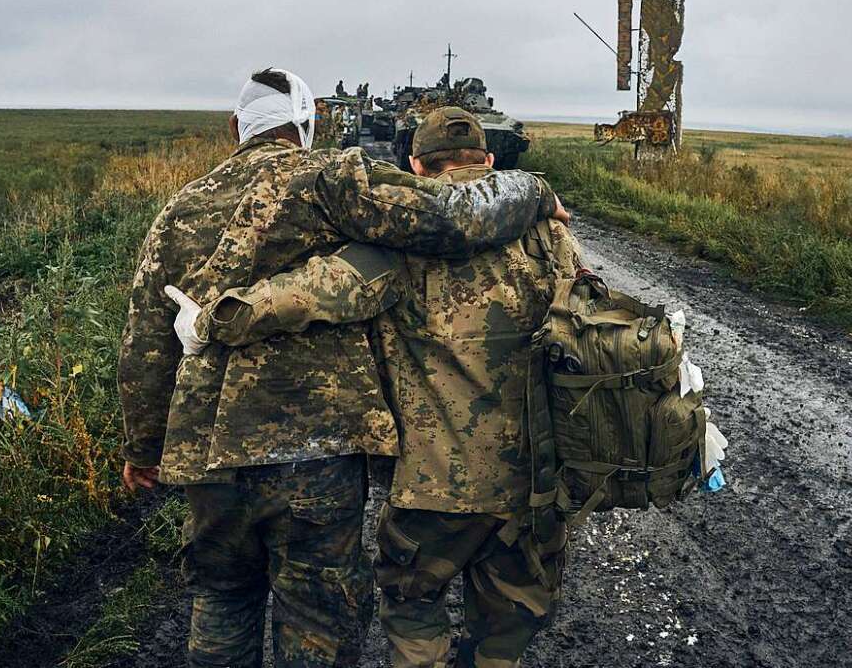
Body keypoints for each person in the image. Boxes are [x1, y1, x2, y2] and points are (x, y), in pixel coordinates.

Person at [119, 72, 568, 668]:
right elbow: (446, 217)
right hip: (317, 447)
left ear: (235, 129)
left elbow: (146, 345)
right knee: (318, 613)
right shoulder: (329, 179)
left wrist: (143, 447)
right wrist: (532, 192)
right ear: (307, 125)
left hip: (209, 451)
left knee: (222, 597)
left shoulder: (176, 213)